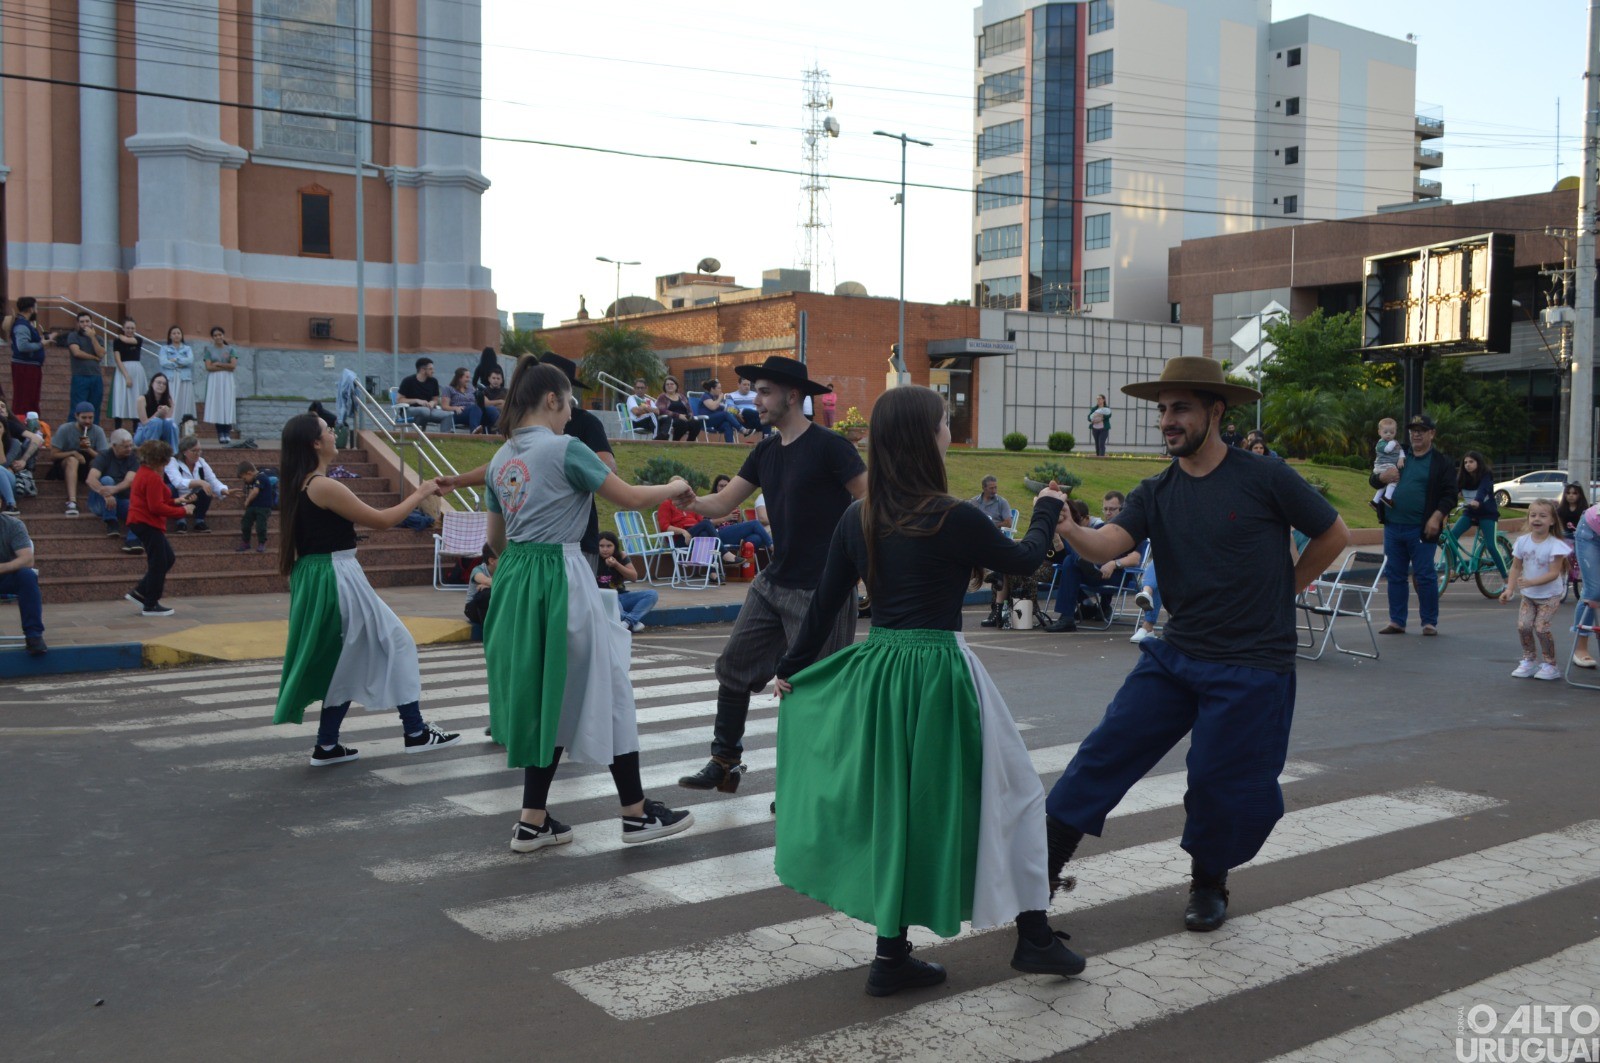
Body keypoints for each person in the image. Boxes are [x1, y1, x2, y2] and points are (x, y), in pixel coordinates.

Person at [772, 385, 1084, 996]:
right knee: (1015, 795)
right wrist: (1048, 507)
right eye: (944, 423)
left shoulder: (858, 517)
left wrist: (792, 668)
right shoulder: (952, 516)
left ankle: (891, 957)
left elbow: (824, 605)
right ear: (924, 438)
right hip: (941, 672)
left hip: (881, 672)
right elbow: (1025, 559)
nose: (948, 431)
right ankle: (1033, 936)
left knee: (896, 811)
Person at [1043, 356, 1347, 939]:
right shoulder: (1156, 490)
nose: (1167, 421)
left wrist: (1286, 587)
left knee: (1217, 784)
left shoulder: (1265, 476)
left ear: (1216, 411)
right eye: (1163, 410)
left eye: (1180, 408)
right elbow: (1108, 542)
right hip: (1178, 653)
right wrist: (1070, 528)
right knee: (1102, 753)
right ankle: (1040, 878)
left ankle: (1208, 882)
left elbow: (1333, 532)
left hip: (1252, 663)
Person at [479, 358, 694, 852]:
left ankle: (533, 820)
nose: (570, 414)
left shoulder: (499, 460)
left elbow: (497, 542)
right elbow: (630, 498)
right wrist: (674, 487)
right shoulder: (565, 448)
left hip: (515, 580)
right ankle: (635, 813)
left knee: (547, 696)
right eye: (569, 404)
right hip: (563, 574)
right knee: (610, 688)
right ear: (553, 399)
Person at [676, 356, 865, 794]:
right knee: (733, 667)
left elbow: (871, 501)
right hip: (773, 582)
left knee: (813, 690)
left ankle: (808, 787)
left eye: (764, 392)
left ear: (792, 396)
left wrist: (860, 567)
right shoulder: (765, 451)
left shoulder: (831, 447)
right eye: (756, 391)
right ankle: (725, 762)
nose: (755, 400)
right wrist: (692, 502)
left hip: (823, 590)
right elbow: (724, 503)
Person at [272, 413, 460, 764]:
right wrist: (421, 491)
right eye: (328, 430)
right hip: (336, 574)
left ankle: (328, 744)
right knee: (397, 642)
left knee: (348, 657)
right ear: (316, 443)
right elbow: (383, 520)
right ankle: (415, 731)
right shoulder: (323, 486)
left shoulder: (302, 483)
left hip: (322, 574)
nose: (334, 433)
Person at [1372, 413, 1458, 636]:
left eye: (1421, 431)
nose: (1416, 435)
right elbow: (1374, 478)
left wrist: (1436, 517)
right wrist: (1381, 479)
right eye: (1413, 431)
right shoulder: (1398, 453)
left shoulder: (1441, 462)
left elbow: (1450, 495)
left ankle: (1429, 622)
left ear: (1432, 434)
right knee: (1395, 575)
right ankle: (1397, 621)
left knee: (1424, 575)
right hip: (1393, 526)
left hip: (1421, 528)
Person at [1040, 499, 1144, 633]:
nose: (1108, 513)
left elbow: (1135, 559)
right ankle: (1067, 618)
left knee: (1072, 558)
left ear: (1122, 510)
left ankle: (1081, 562)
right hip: (1095, 571)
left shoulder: (1132, 533)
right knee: (1069, 562)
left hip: (1116, 574)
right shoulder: (1100, 529)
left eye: (1112, 509)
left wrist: (1114, 564)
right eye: (1105, 509)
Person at [1499, 497, 1570, 681]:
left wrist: (1532, 582)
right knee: (1524, 627)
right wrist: (1509, 589)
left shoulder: (1555, 545)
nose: (1537, 519)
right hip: (1529, 596)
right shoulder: (1522, 542)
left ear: (1552, 521)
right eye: (1533, 515)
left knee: (1541, 628)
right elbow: (1515, 567)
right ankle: (1529, 660)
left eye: (1542, 516)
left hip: (1550, 596)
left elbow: (1554, 573)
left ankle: (1550, 665)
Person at [124, 439, 192, 617]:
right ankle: (150, 604)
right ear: (159, 459)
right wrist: (182, 511)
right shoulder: (152, 477)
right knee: (159, 563)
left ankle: (140, 593)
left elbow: (156, 500)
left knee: (166, 559)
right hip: (146, 522)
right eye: (165, 459)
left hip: (142, 521)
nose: (167, 462)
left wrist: (175, 501)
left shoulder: (144, 472)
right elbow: (156, 507)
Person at [1452, 451, 1506, 579]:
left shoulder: (1486, 475)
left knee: (1491, 546)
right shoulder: (1462, 478)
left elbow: (1483, 489)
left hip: (1487, 513)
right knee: (1452, 538)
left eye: (1471, 461)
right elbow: (1453, 491)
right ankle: (1452, 570)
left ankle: (1506, 577)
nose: (1467, 464)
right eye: (1465, 462)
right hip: (1470, 512)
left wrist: (1477, 501)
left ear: (1478, 462)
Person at [48, 404, 108, 517]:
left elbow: (104, 458)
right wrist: (73, 453)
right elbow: (53, 455)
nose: (87, 421)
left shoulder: (98, 431)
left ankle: (99, 499)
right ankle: (72, 502)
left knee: (96, 463)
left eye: (90, 418)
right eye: (84, 418)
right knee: (72, 460)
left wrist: (88, 449)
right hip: (65, 466)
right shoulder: (65, 429)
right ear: (76, 416)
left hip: (87, 466)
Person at [0, 510, 47, 654]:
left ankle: (34, 636)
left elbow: (27, 559)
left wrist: (2, 568)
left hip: (6, 577)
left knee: (27, 576)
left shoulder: (13, 525)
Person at [1557, 482, 1592, 667]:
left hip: (1582, 537)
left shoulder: (1584, 510)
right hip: (1567, 536)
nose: (1571, 496)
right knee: (1592, 593)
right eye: (1568, 493)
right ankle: (1580, 646)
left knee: (1591, 590)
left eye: (1575, 493)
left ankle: (1578, 574)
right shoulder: (1561, 510)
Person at [87, 429, 140, 552]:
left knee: (138, 509)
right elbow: (91, 479)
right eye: (125, 446)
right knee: (107, 480)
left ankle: (133, 541)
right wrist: (106, 494)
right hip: (100, 502)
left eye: (130, 446)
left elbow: (129, 481)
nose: (129, 449)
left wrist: (114, 490)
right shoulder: (104, 456)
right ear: (114, 446)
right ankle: (111, 520)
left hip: (120, 500)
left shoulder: (133, 458)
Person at [597, 530, 658, 632]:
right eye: (601, 546)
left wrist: (616, 565)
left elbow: (634, 577)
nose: (605, 549)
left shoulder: (621, 556)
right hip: (604, 598)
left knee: (652, 594)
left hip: (622, 596)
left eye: (609, 546)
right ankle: (632, 622)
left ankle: (627, 622)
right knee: (614, 604)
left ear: (615, 546)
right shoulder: (593, 558)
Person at [164, 436, 227, 532]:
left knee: (206, 489)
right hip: (176, 497)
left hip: (193, 496)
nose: (198, 454)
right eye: (194, 451)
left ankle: (199, 521)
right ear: (184, 452)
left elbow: (212, 480)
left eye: (199, 450)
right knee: (170, 488)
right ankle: (180, 521)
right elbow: (177, 482)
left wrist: (223, 490)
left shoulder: (201, 462)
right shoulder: (173, 461)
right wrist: (200, 482)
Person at [9, 297, 50, 418]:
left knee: (31, 399)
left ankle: (31, 423)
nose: (37, 311)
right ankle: (22, 423)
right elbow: (22, 346)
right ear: (31, 309)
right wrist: (41, 344)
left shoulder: (26, 324)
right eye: (36, 308)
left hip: (30, 366)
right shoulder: (22, 325)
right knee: (24, 399)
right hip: (25, 367)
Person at [202, 326, 239, 444]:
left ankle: (227, 432)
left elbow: (233, 366)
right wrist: (225, 366)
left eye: (220, 335)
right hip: (215, 380)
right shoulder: (209, 350)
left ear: (223, 335)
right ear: (212, 337)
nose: (218, 337)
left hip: (227, 379)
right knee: (218, 405)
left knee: (227, 404)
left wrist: (218, 364)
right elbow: (208, 367)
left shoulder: (230, 349)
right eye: (215, 335)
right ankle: (220, 433)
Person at [396, 357, 455, 430]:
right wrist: (417, 400)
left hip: (429, 410)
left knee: (448, 415)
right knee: (424, 411)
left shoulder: (433, 381)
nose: (433, 371)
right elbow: (399, 400)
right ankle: (419, 434)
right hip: (409, 411)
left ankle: (444, 437)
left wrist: (432, 403)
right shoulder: (408, 381)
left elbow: (435, 399)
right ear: (422, 370)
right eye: (430, 369)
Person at [110, 320, 147, 432]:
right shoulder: (117, 341)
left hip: (137, 371)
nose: (130, 330)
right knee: (120, 399)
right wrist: (126, 376)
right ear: (123, 328)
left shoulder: (138, 339)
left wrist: (120, 336)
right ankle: (118, 430)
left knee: (136, 398)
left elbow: (127, 340)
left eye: (132, 328)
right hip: (122, 371)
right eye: (127, 328)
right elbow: (118, 359)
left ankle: (136, 431)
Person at [236, 460, 277, 553]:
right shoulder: (251, 480)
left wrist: (247, 501)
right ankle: (246, 542)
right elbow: (250, 491)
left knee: (260, 526)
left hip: (263, 507)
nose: (244, 481)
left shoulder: (261, 477)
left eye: (244, 478)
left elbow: (255, 491)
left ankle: (261, 543)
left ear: (249, 473)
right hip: (253, 506)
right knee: (245, 523)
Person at [157, 326, 197, 423]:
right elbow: (163, 362)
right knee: (172, 400)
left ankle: (184, 423)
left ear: (182, 335)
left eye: (178, 333)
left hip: (184, 379)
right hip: (170, 378)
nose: (176, 335)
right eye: (174, 333)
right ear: (170, 336)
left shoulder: (187, 348)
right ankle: (170, 422)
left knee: (184, 401)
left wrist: (175, 360)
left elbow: (190, 361)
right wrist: (180, 364)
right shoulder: (164, 348)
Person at [134, 373, 181, 448]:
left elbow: (167, 423)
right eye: (159, 382)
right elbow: (144, 423)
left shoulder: (169, 401)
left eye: (164, 384)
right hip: (144, 433)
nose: (161, 385)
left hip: (162, 432)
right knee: (156, 421)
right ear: (152, 383)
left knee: (171, 422)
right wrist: (157, 414)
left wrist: (166, 412)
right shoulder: (142, 399)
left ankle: (173, 451)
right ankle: (152, 450)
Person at [1368, 417, 1404, 512]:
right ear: (1379, 432)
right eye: (1386, 432)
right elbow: (1387, 450)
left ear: (1395, 432)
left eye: (1392, 432)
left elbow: (1401, 451)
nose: (1388, 434)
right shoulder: (1380, 443)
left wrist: (1401, 459)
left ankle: (1375, 502)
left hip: (1388, 466)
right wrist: (1392, 443)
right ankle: (1387, 498)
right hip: (1383, 466)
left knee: (1384, 485)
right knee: (1394, 480)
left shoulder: (1395, 443)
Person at [655, 375, 701, 441]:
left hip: (684, 418)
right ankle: (676, 441)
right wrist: (678, 415)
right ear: (664, 386)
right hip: (671, 419)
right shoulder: (662, 397)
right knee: (682, 424)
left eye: (672, 384)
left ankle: (690, 443)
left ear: (676, 386)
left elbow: (689, 409)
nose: (669, 386)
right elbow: (662, 410)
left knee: (696, 423)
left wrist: (689, 416)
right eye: (667, 384)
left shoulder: (681, 396)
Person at [442, 367, 487, 433]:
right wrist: (455, 408)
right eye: (467, 377)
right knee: (475, 408)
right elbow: (444, 407)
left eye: (469, 377)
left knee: (491, 410)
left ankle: (497, 432)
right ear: (459, 378)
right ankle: (474, 432)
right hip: (458, 413)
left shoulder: (471, 388)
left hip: (473, 413)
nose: (469, 380)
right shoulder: (448, 389)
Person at [465, 545, 495, 626]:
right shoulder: (478, 570)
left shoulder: (504, 571)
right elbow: (485, 580)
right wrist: (490, 585)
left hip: (493, 607)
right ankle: (486, 627)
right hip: (473, 608)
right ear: (492, 561)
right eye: (504, 558)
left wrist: (491, 585)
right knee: (486, 593)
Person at [475, 368, 506, 432]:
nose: (495, 380)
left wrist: (493, 403)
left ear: (501, 380)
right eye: (493, 378)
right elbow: (487, 404)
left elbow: (508, 405)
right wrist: (500, 401)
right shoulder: (484, 391)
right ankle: (499, 428)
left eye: (498, 378)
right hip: (487, 417)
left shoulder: (506, 392)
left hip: (504, 415)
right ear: (489, 379)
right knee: (491, 409)